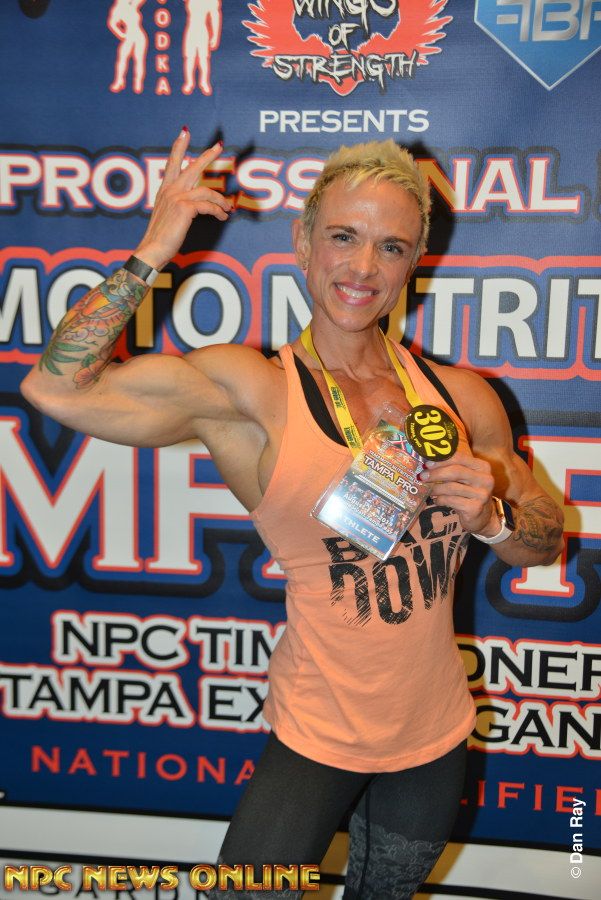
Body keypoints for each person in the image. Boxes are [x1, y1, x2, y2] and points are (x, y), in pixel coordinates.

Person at [21, 130, 564, 899]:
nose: (363, 267)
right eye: (342, 237)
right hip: (316, 734)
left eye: (390, 247)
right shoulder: (254, 392)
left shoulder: (463, 399)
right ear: (303, 244)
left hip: (434, 733)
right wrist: (156, 245)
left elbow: (540, 543)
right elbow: (54, 388)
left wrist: (496, 518)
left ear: (414, 261)